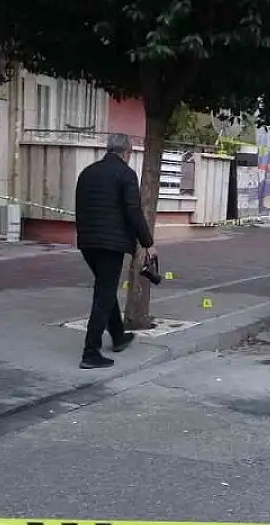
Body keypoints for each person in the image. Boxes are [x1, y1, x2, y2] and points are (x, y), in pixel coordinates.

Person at [73, 133, 156, 370]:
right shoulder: (125, 174)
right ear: (127, 152)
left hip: (87, 242)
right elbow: (133, 211)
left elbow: (80, 207)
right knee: (104, 295)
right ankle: (90, 352)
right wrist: (147, 242)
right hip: (111, 244)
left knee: (105, 289)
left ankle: (118, 336)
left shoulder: (87, 172)